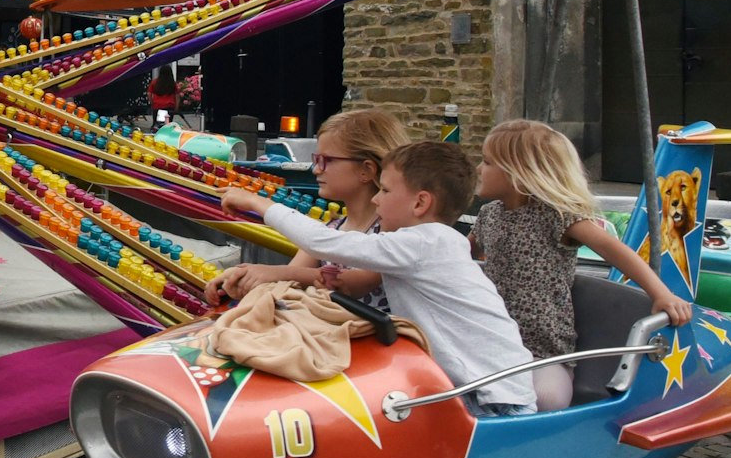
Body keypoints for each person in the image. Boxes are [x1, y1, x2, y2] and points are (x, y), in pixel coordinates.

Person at [223, 141, 537, 415]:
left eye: (385, 191)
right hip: (489, 386)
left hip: (490, 396)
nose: (376, 200)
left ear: (420, 203)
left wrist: (260, 204)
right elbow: (354, 278)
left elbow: (324, 243)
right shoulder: (433, 243)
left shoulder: (424, 243)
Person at [473, 119, 692, 410]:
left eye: (487, 162)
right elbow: (456, 254)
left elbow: (614, 250)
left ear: (519, 172)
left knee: (547, 399)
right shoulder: (489, 215)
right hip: (493, 340)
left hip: (542, 348)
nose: (479, 168)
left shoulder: (556, 215)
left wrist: (661, 294)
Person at [206, 108, 409, 311]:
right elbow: (290, 274)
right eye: (316, 159)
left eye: (326, 160)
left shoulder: (393, 233)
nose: (316, 169)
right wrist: (240, 276)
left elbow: (351, 284)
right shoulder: (332, 227)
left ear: (366, 170)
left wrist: (257, 203)